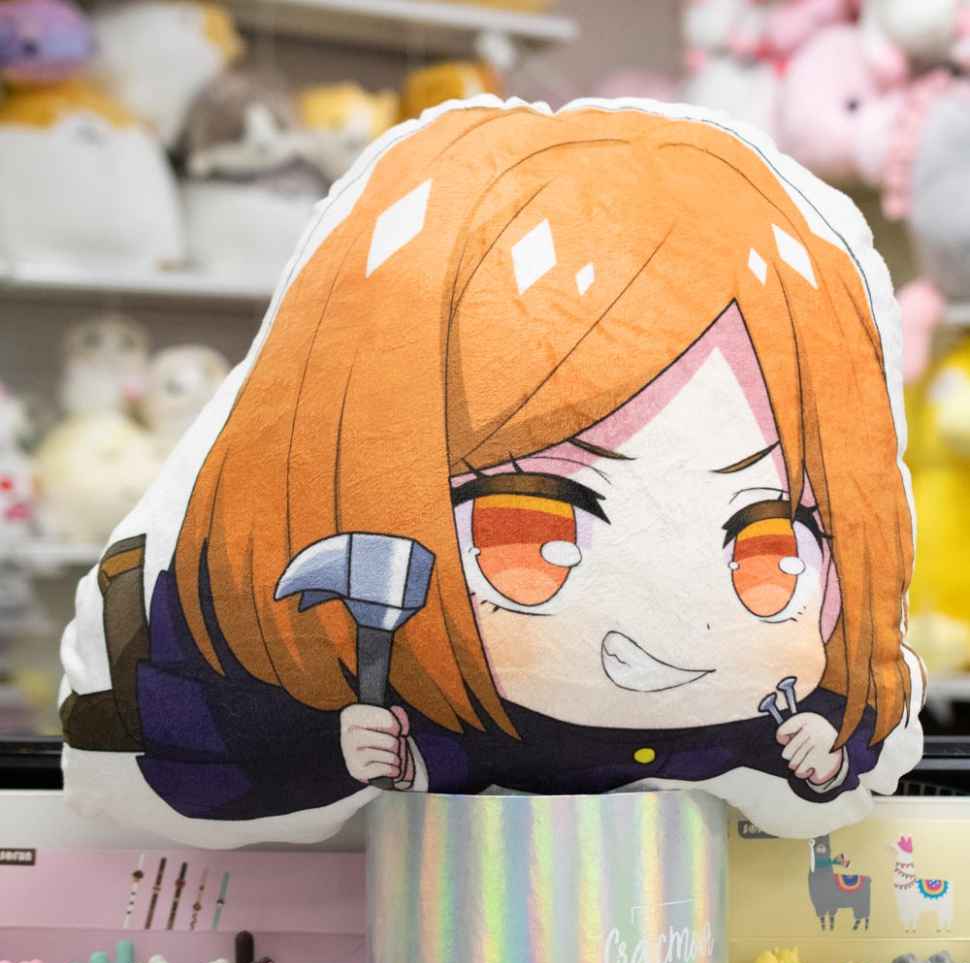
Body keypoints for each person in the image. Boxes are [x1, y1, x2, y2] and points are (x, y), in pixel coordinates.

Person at [61, 101, 923, 836]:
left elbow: (856, 738)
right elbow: (190, 751)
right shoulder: (391, 701)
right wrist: (340, 750)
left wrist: (824, 759)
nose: (667, 635)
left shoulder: (767, 721)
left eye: (768, 547)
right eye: (531, 534)